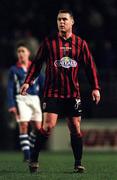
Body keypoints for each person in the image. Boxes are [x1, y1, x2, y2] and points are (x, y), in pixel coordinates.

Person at [20, 9, 101, 173]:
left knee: (75, 127)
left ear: (72, 22)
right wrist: (28, 81)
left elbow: (90, 67)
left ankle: (78, 163)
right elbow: (36, 64)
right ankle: (34, 158)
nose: (61, 22)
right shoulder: (49, 42)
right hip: (52, 92)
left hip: (73, 94)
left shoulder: (80, 44)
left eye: (64, 19)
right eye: (59, 20)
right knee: (48, 126)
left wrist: (95, 88)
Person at [7, 41, 44, 162]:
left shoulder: (36, 67)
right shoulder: (13, 69)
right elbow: (10, 87)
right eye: (19, 51)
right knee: (23, 124)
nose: (20, 53)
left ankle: (30, 149)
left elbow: (44, 83)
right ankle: (27, 155)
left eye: (23, 51)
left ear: (29, 53)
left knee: (38, 129)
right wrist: (11, 104)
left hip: (35, 99)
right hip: (21, 98)